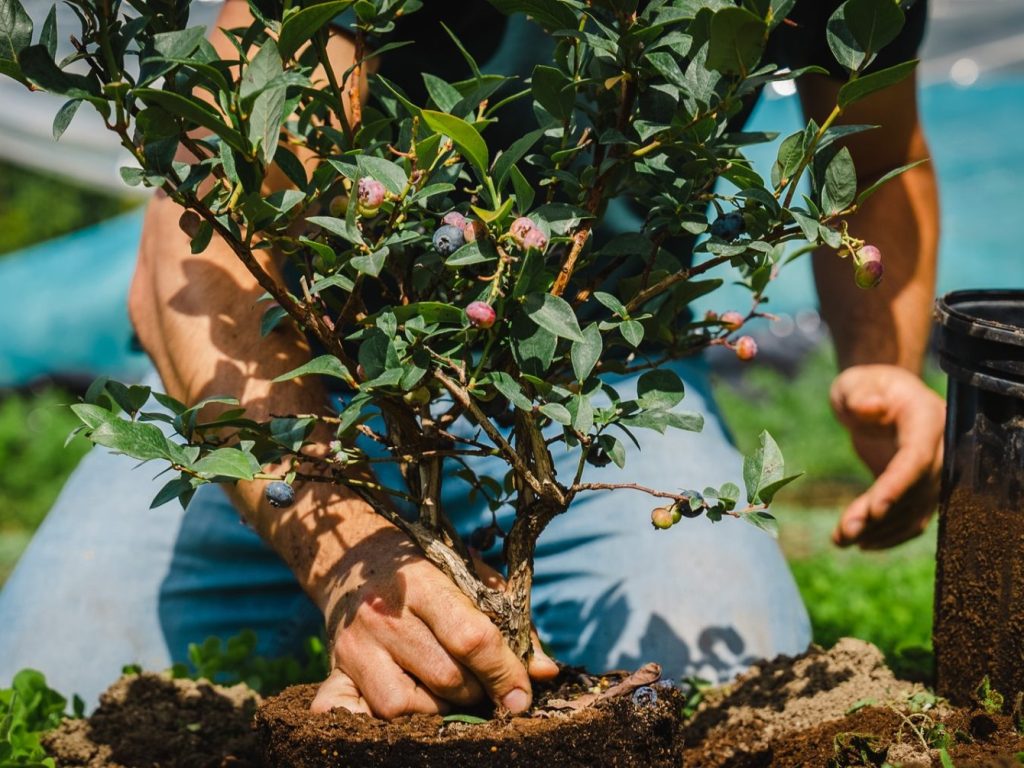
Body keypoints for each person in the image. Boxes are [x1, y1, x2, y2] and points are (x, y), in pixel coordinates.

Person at [0, 0, 943, 718]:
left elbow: (879, 153)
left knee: (725, 689)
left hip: (596, 390)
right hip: (294, 384)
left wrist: (886, 361)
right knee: (48, 684)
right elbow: (198, 259)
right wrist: (336, 549)